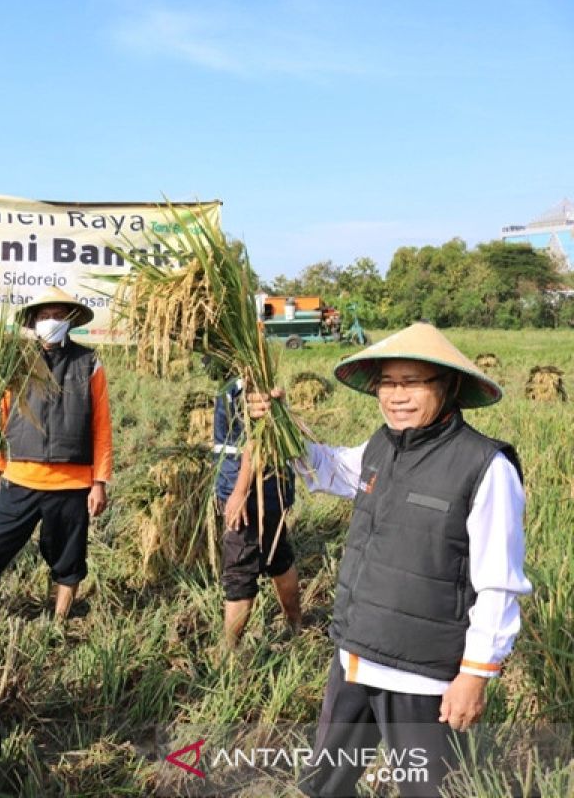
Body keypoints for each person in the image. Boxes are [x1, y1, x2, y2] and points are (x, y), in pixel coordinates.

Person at [248, 323, 530, 797]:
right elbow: (329, 468)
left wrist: (475, 675)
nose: (396, 395)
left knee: (424, 789)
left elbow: (498, 583)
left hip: (422, 676)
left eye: (413, 382)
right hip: (355, 658)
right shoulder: (381, 446)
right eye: (388, 382)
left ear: (449, 386)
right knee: (324, 784)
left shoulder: (485, 467)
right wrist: (276, 421)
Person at [0, 287, 113, 620]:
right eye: (45, 316)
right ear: (33, 321)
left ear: (70, 321)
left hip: (71, 482)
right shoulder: (15, 362)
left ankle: (59, 622)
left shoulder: (88, 362)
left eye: (59, 315)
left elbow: (101, 426)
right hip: (20, 476)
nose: (51, 321)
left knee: (68, 558)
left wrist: (99, 481)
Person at [212, 371, 301, 647]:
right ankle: (296, 626)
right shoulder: (261, 385)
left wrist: (238, 493)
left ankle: (229, 653)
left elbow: (255, 444)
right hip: (272, 492)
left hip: (252, 497)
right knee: (277, 557)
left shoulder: (247, 393)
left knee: (239, 572)